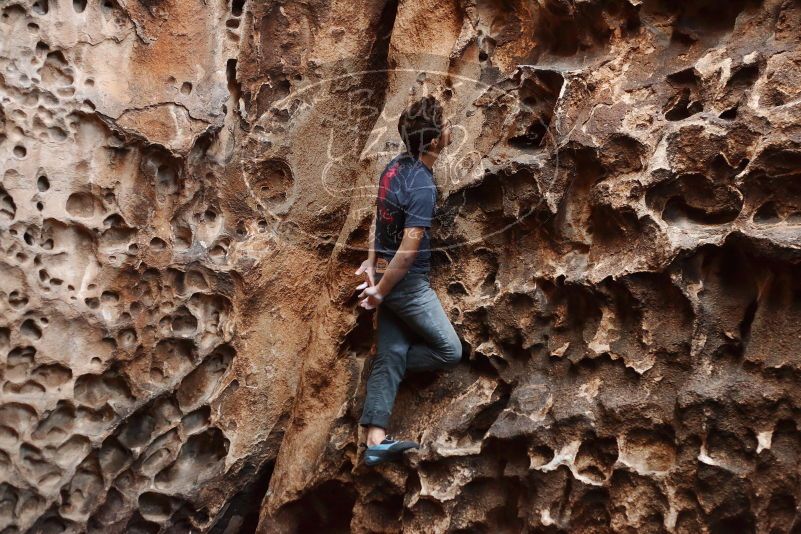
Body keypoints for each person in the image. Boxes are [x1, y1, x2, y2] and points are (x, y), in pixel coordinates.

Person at [354, 95, 463, 467]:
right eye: (446, 126)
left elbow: (378, 221)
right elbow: (407, 249)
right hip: (406, 284)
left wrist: (371, 267)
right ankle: (392, 366)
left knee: (391, 351)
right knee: (450, 352)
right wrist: (379, 293)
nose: (450, 130)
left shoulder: (393, 168)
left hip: (385, 275)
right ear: (433, 142)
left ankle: (375, 441)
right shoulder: (421, 185)